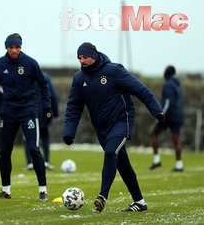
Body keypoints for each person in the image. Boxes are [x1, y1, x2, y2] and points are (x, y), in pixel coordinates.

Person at [63, 42, 164, 212]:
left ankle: (102, 196)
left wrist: (157, 112)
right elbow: (74, 106)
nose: (82, 61)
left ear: (94, 56)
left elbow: (142, 91)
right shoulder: (79, 78)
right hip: (102, 128)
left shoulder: (114, 71)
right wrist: (68, 131)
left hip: (121, 121)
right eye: (79, 58)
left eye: (85, 57)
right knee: (122, 164)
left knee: (111, 152)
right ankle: (139, 202)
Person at [0, 33, 52, 201]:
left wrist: (47, 106)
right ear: (6, 48)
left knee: (34, 149)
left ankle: (43, 190)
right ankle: (6, 191)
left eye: (17, 47)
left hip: (28, 111)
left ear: (21, 47)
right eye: (11, 47)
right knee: (5, 151)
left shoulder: (30, 63)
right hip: (8, 112)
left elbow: (43, 84)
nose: (14, 50)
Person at [149, 66, 184, 172]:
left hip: (168, 115)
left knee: (153, 133)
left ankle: (156, 160)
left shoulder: (168, 85)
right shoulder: (178, 85)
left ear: (167, 73)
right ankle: (179, 165)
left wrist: (160, 115)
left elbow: (168, 103)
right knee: (176, 140)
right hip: (178, 115)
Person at [24, 71, 59, 170]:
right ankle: (46, 161)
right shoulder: (46, 77)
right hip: (43, 111)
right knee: (44, 135)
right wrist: (55, 112)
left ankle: (30, 162)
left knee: (28, 136)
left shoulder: (25, 76)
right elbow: (52, 95)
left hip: (28, 112)